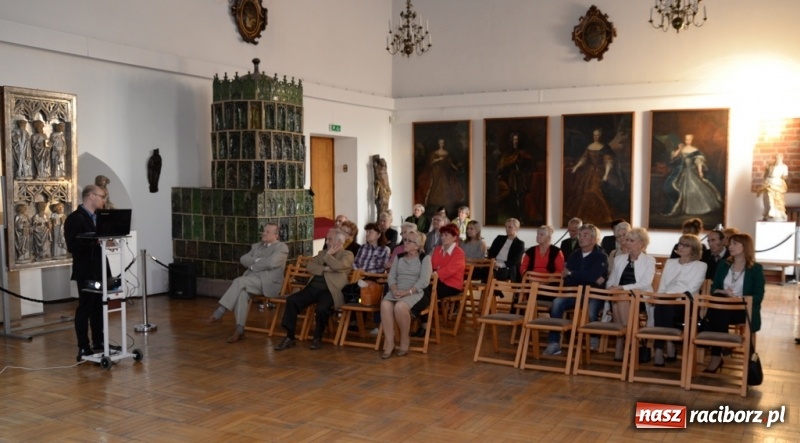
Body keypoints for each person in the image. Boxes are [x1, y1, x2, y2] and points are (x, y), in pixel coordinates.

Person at [200, 224, 288, 343]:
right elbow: (243, 259)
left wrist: (253, 264)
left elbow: (271, 263)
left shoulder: (281, 248)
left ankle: (219, 313)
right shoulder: (256, 246)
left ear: (276, 235)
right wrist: (258, 261)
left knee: (238, 281)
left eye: (268, 232)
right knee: (241, 293)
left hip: (268, 283)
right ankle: (240, 330)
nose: (264, 233)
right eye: (264, 231)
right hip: (251, 280)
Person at [275, 228, 354, 351]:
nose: (327, 241)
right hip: (313, 288)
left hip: (331, 290)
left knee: (322, 308)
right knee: (292, 300)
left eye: (330, 239)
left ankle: (317, 337)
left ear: (339, 242)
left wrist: (328, 256)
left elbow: (339, 265)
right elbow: (310, 266)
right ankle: (290, 337)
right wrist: (326, 269)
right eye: (327, 239)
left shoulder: (347, 254)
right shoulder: (321, 253)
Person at [704, 233, 764, 373]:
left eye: (735, 244)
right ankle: (724, 346)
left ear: (745, 246)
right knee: (720, 302)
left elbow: (758, 296)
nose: (730, 247)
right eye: (730, 244)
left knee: (717, 311)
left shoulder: (755, 269)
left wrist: (738, 298)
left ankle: (717, 354)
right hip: (722, 307)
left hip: (743, 310)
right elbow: (714, 288)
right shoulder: (724, 265)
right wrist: (724, 293)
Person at [545, 224, 608, 356]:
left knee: (590, 311)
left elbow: (591, 276)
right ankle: (554, 342)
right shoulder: (575, 255)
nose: (581, 238)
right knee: (557, 302)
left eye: (585, 235)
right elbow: (570, 280)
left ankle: (593, 336)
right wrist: (585, 277)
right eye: (580, 235)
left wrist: (572, 273)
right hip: (574, 292)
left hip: (593, 293)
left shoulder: (601, 256)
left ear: (593, 239)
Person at [64, 184, 112, 360]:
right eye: (102, 196)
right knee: (85, 307)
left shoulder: (101, 218)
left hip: (100, 268)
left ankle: (98, 341)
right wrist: (94, 241)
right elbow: (72, 245)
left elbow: (102, 240)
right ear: (91, 196)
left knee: (99, 306)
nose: (103, 200)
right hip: (85, 270)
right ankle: (83, 346)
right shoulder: (74, 219)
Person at [652, 234, 706, 366]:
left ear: (693, 249)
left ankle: (666, 345)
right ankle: (662, 348)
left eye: (685, 245)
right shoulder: (670, 262)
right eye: (680, 244)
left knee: (666, 307)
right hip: (666, 301)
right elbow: (663, 285)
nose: (680, 247)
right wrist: (658, 297)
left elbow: (692, 288)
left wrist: (669, 298)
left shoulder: (701, 265)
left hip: (686, 303)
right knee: (660, 306)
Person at [605, 227, 656, 361]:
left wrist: (622, 288)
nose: (627, 243)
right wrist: (611, 287)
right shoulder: (619, 259)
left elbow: (645, 283)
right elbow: (611, 281)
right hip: (619, 297)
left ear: (641, 243)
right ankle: (634, 341)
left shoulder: (649, 260)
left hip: (640, 298)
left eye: (631, 240)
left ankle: (622, 342)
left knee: (619, 298)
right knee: (618, 299)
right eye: (627, 240)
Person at [380, 231, 432, 358]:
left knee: (400, 307)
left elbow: (424, 281)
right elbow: (391, 277)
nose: (406, 243)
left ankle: (404, 340)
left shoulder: (425, 258)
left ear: (418, 246)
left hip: (415, 291)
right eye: (405, 240)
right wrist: (394, 290)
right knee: (385, 304)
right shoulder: (399, 257)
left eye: (410, 241)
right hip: (397, 290)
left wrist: (407, 292)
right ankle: (390, 343)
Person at [412, 223, 465, 338]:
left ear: (455, 237)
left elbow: (449, 271)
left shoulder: (459, 252)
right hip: (436, 281)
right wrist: (431, 272)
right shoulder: (437, 250)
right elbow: (432, 265)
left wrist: (434, 273)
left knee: (426, 292)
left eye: (447, 235)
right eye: (442, 235)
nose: (443, 237)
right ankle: (424, 325)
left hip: (452, 285)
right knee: (423, 290)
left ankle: (419, 318)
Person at [565, 128, 622, 226]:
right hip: (589, 172)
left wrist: (606, 175)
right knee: (583, 193)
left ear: (601, 136)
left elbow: (608, 162)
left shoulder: (604, 148)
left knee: (594, 192)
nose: (596, 137)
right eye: (594, 135)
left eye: (598, 135)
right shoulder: (589, 146)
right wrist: (576, 167)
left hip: (599, 172)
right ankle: (584, 218)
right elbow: (584, 158)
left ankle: (599, 217)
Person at [662, 134, 722, 217]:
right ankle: (683, 209)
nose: (688, 141)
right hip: (682, 172)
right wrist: (679, 149)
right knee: (681, 189)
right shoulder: (682, 149)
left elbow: (699, 161)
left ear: (693, 140)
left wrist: (700, 171)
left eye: (689, 139)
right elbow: (674, 157)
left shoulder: (695, 150)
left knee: (696, 188)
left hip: (692, 171)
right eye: (686, 139)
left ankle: (699, 208)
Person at [415, 139, 465, 214]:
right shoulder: (434, 153)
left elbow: (450, 163)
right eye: (440, 143)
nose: (441, 144)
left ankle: (444, 202)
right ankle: (433, 201)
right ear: (438, 143)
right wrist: (439, 159)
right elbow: (431, 163)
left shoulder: (446, 153)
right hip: (436, 171)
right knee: (435, 186)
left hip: (444, 171)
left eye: (443, 143)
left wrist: (456, 168)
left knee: (444, 185)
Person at [496, 132, 534, 222]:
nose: (515, 142)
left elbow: (528, 165)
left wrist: (521, 168)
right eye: (513, 140)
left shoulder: (522, 153)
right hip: (509, 179)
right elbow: (502, 166)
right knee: (511, 198)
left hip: (519, 179)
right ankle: (512, 216)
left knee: (520, 197)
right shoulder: (507, 153)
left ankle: (520, 216)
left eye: (516, 140)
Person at [487, 218, 525, 283]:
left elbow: (516, 259)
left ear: (516, 228)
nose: (507, 229)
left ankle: (492, 292)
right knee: (486, 271)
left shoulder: (520, 243)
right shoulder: (499, 238)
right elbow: (491, 252)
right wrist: (494, 262)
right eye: (506, 227)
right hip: (494, 264)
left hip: (508, 267)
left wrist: (501, 265)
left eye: (510, 227)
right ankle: (494, 292)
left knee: (490, 274)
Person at [757, 153, 789, 221]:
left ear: (781, 158)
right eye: (776, 157)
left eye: (779, 158)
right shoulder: (770, 165)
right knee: (767, 197)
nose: (777, 159)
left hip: (777, 183)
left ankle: (778, 213)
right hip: (769, 182)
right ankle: (769, 212)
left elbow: (785, 176)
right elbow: (765, 175)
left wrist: (781, 178)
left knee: (777, 198)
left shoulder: (784, 166)